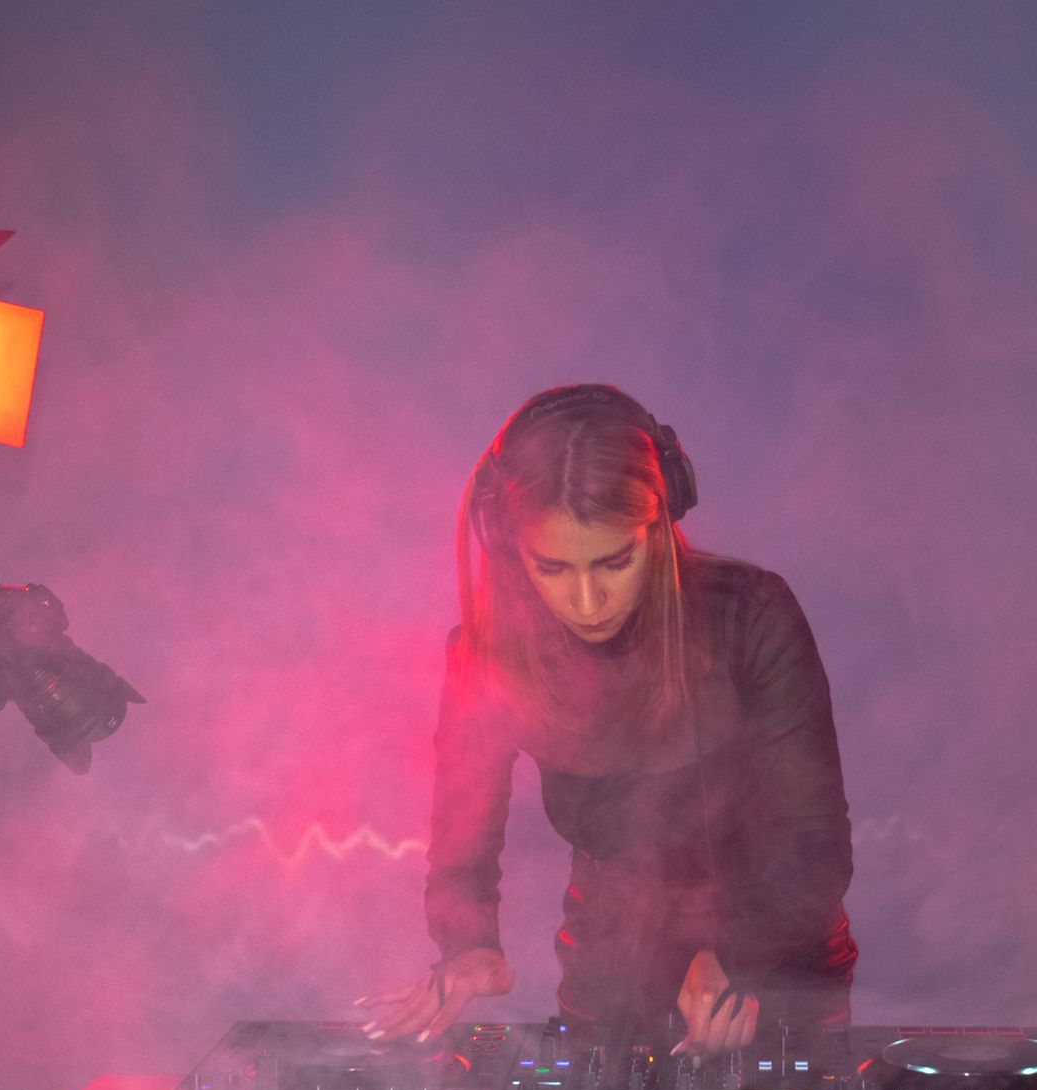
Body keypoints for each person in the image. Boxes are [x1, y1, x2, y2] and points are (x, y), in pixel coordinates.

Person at [359, 385, 857, 1054]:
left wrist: (738, 955)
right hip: (609, 963)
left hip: (779, 956)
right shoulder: (488, 651)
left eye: (616, 562)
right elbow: (462, 831)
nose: (588, 601)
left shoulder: (752, 618)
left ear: (660, 525)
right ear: (512, 549)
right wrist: (469, 944)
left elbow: (815, 843)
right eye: (553, 567)